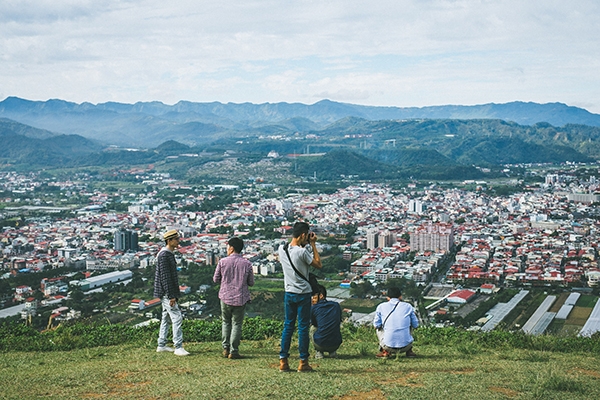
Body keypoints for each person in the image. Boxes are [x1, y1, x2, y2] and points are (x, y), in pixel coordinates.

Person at [278, 221, 322, 372]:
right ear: (303, 235)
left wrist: (306, 244)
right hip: (303, 294)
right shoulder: (302, 252)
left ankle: (283, 360)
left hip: (288, 293)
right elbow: (318, 264)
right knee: (303, 327)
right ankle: (303, 362)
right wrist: (313, 245)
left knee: (288, 326)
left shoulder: (282, 249)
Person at [213, 236, 254, 359]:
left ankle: (225, 348)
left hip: (225, 297)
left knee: (226, 322)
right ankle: (234, 351)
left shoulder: (222, 262)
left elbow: (215, 279)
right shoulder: (247, 264)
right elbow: (251, 282)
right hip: (240, 298)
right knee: (237, 324)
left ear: (231, 248)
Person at [154, 229, 189, 356]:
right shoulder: (164, 255)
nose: (178, 241)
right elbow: (165, 277)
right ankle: (178, 346)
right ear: (169, 241)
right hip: (166, 292)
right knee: (177, 317)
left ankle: (161, 344)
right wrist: (171, 295)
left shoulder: (167, 253)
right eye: (176, 239)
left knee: (166, 317)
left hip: (165, 291)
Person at [373, 286, 418, 358]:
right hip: (406, 346)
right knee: (409, 325)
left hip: (387, 346)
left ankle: (385, 351)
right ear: (400, 296)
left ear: (388, 297)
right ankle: (409, 351)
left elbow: (376, 325)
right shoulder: (408, 306)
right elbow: (415, 325)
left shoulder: (381, 307)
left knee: (379, 329)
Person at [311, 284, 342, 359]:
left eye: (313, 296)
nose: (312, 299)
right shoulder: (336, 305)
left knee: (312, 328)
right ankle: (332, 352)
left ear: (321, 296)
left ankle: (319, 352)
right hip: (336, 344)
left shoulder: (314, 308)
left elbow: (314, 323)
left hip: (320, 343)